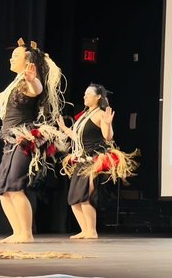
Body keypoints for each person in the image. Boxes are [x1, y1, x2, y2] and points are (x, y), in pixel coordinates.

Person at [0, 38, 66, 244]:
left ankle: (26, 233)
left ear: (29, 61)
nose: (11, 58)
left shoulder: (28, 82)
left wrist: (31, 79)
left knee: (14, 186)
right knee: (2, 190)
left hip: (23, 138)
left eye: (16, 56)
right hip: (9, 140)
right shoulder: (13, 85)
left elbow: (37, 89)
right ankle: (17, 231)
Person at [57, 83, 138, 239]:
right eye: (84, 94)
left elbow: (108, 137)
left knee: (85, 196)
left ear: (98, 97)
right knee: (73, 199)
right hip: (81, 160)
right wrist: (65, 129)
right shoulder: (86, 115)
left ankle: (91, 231)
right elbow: (78, 138)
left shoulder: (100, 114)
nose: (84, 96)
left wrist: (107, 124)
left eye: (88, 94)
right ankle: (84, 230)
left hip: (93, 160)